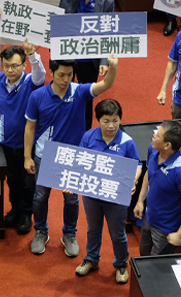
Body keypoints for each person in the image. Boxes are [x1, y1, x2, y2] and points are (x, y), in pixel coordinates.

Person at [25, 57, 118, 257]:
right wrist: (27, 156)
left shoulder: (79, 91)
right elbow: (30, 127)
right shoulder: (37, 96)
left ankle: (69, 233)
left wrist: (113, 67)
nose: (66, 79)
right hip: (45, 155)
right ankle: (40, 231)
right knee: (40, 196)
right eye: (61, 75)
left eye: (69, 75)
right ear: (51, 73)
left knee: (72, 198)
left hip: (72, 157)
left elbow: (106, 84)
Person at [32, 0, 114, 127]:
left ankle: (84, 132)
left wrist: (104, 61)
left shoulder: (106, 0)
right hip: (65, 53)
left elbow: (108, 33)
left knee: (86, 98)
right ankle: (57, 127)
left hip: (89, 58)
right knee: (59, 92)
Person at [0, 42, 46, 235]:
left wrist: (32, 53)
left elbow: (40, 74)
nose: (10, 70)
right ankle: (15, 209)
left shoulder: (30, 82)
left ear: (24, 66)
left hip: (27, 143)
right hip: (5, 140)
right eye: (6, 65)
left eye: (15, 66)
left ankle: (26, 213)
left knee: (27, 182)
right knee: (11, 179)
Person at [75, 99, 141, 284]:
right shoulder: (88, 137)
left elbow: (137, 165)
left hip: (116, 197)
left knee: (117, 233)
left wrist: (133, 180)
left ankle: (121, 264)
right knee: (93, 229)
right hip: (92, 194)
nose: (111, 125)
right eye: (106, 121)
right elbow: (79, 161)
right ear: (98, 120)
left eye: (115, 120)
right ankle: (91, 259)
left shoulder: (126, 141)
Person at [134, 121, 181, 256]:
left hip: (165, 229)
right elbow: (149, 173)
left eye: (158, 135)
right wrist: (140, 200)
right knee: (143, 256)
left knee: (156, 265)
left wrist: (180, 234)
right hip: (149, 217)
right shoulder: (153, 149)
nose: (154, 135)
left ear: (167, 145)